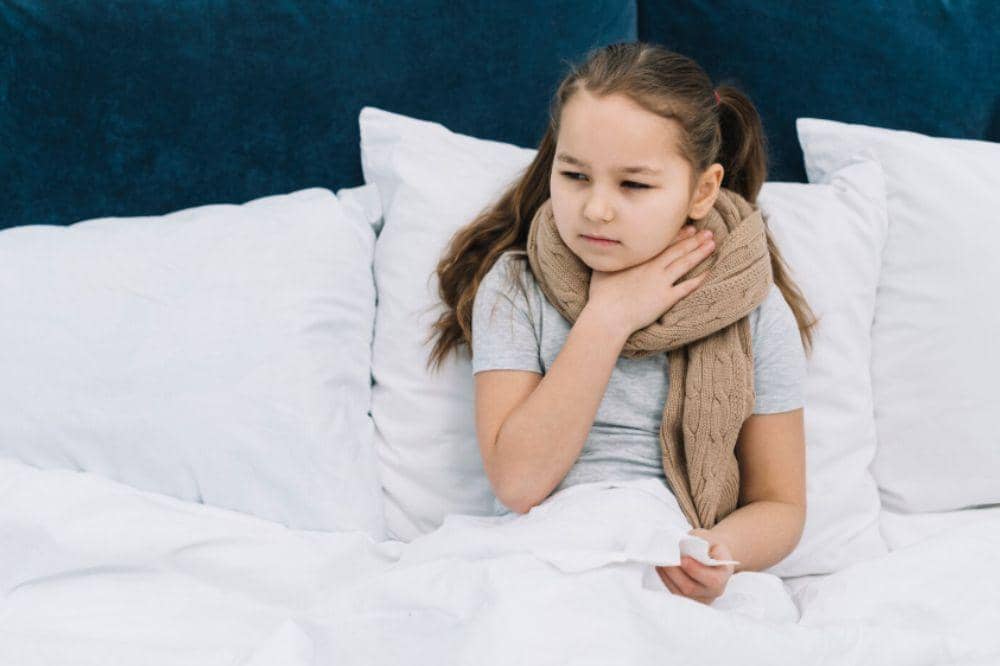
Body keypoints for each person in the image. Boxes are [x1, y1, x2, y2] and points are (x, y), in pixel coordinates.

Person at [425, 42, 818, 606]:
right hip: (545, 552)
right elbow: (518, 483)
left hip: (672, 554)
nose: (596, 209)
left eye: (633, 185)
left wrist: (717, 550)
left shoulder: (753, 308)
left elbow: (781, 503)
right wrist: (607, 318)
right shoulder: (516, 287)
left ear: (702, 190)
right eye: (575, 175)